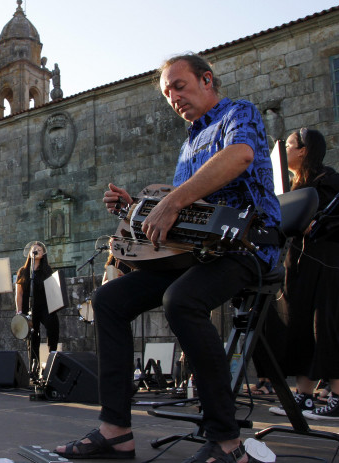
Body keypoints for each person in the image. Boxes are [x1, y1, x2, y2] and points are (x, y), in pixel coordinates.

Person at [55, 54, 281, 462]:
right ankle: (116, 431)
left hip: (246, 248)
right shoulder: (189, 144)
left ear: (207, 79)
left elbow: (240, 156)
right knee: (108, 301)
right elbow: (181, 219)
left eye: (179, 85)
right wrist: (136, 209)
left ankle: (228, 443)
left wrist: (173, 201)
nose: (173, 97)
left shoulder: (237, 114)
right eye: (166, 93)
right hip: (195, 255)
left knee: (182, 300)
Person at [268, 128, 339, 420]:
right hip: (302, 263)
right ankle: (303, 397)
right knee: (300, 325)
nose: (286, 152)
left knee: (326, 323)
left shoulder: (328, 180)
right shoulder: (294, 186)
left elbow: (335, 220)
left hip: (330, 261)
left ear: (303, 150)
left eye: (290, 146)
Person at [15, 241, 58, 375]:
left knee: (53, 324)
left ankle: (52, 360)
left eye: (39, 249)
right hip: (29, 307)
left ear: (43, 253)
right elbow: (19, 293)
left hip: (44, 306)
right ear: (29, 253)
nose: (36, 250)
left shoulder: (47, 270)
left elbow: (53, 289)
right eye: (34, 249)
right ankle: (34, 366)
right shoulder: (23, 271)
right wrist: (19, 312)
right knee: (33, 335)